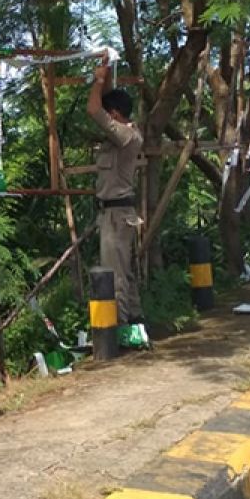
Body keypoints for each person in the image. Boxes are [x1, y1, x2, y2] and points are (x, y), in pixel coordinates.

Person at [86, 57, 148, 347]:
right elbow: (100, 110)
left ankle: (120, 330)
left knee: (115, 274)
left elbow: (93, 109)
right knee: (124, 271)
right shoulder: (121, 137)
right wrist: (106, 69)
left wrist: (99, 80)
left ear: (116, 114)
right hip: (114, 213)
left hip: (117, 214)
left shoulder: (126, 135)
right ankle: (135, 321)